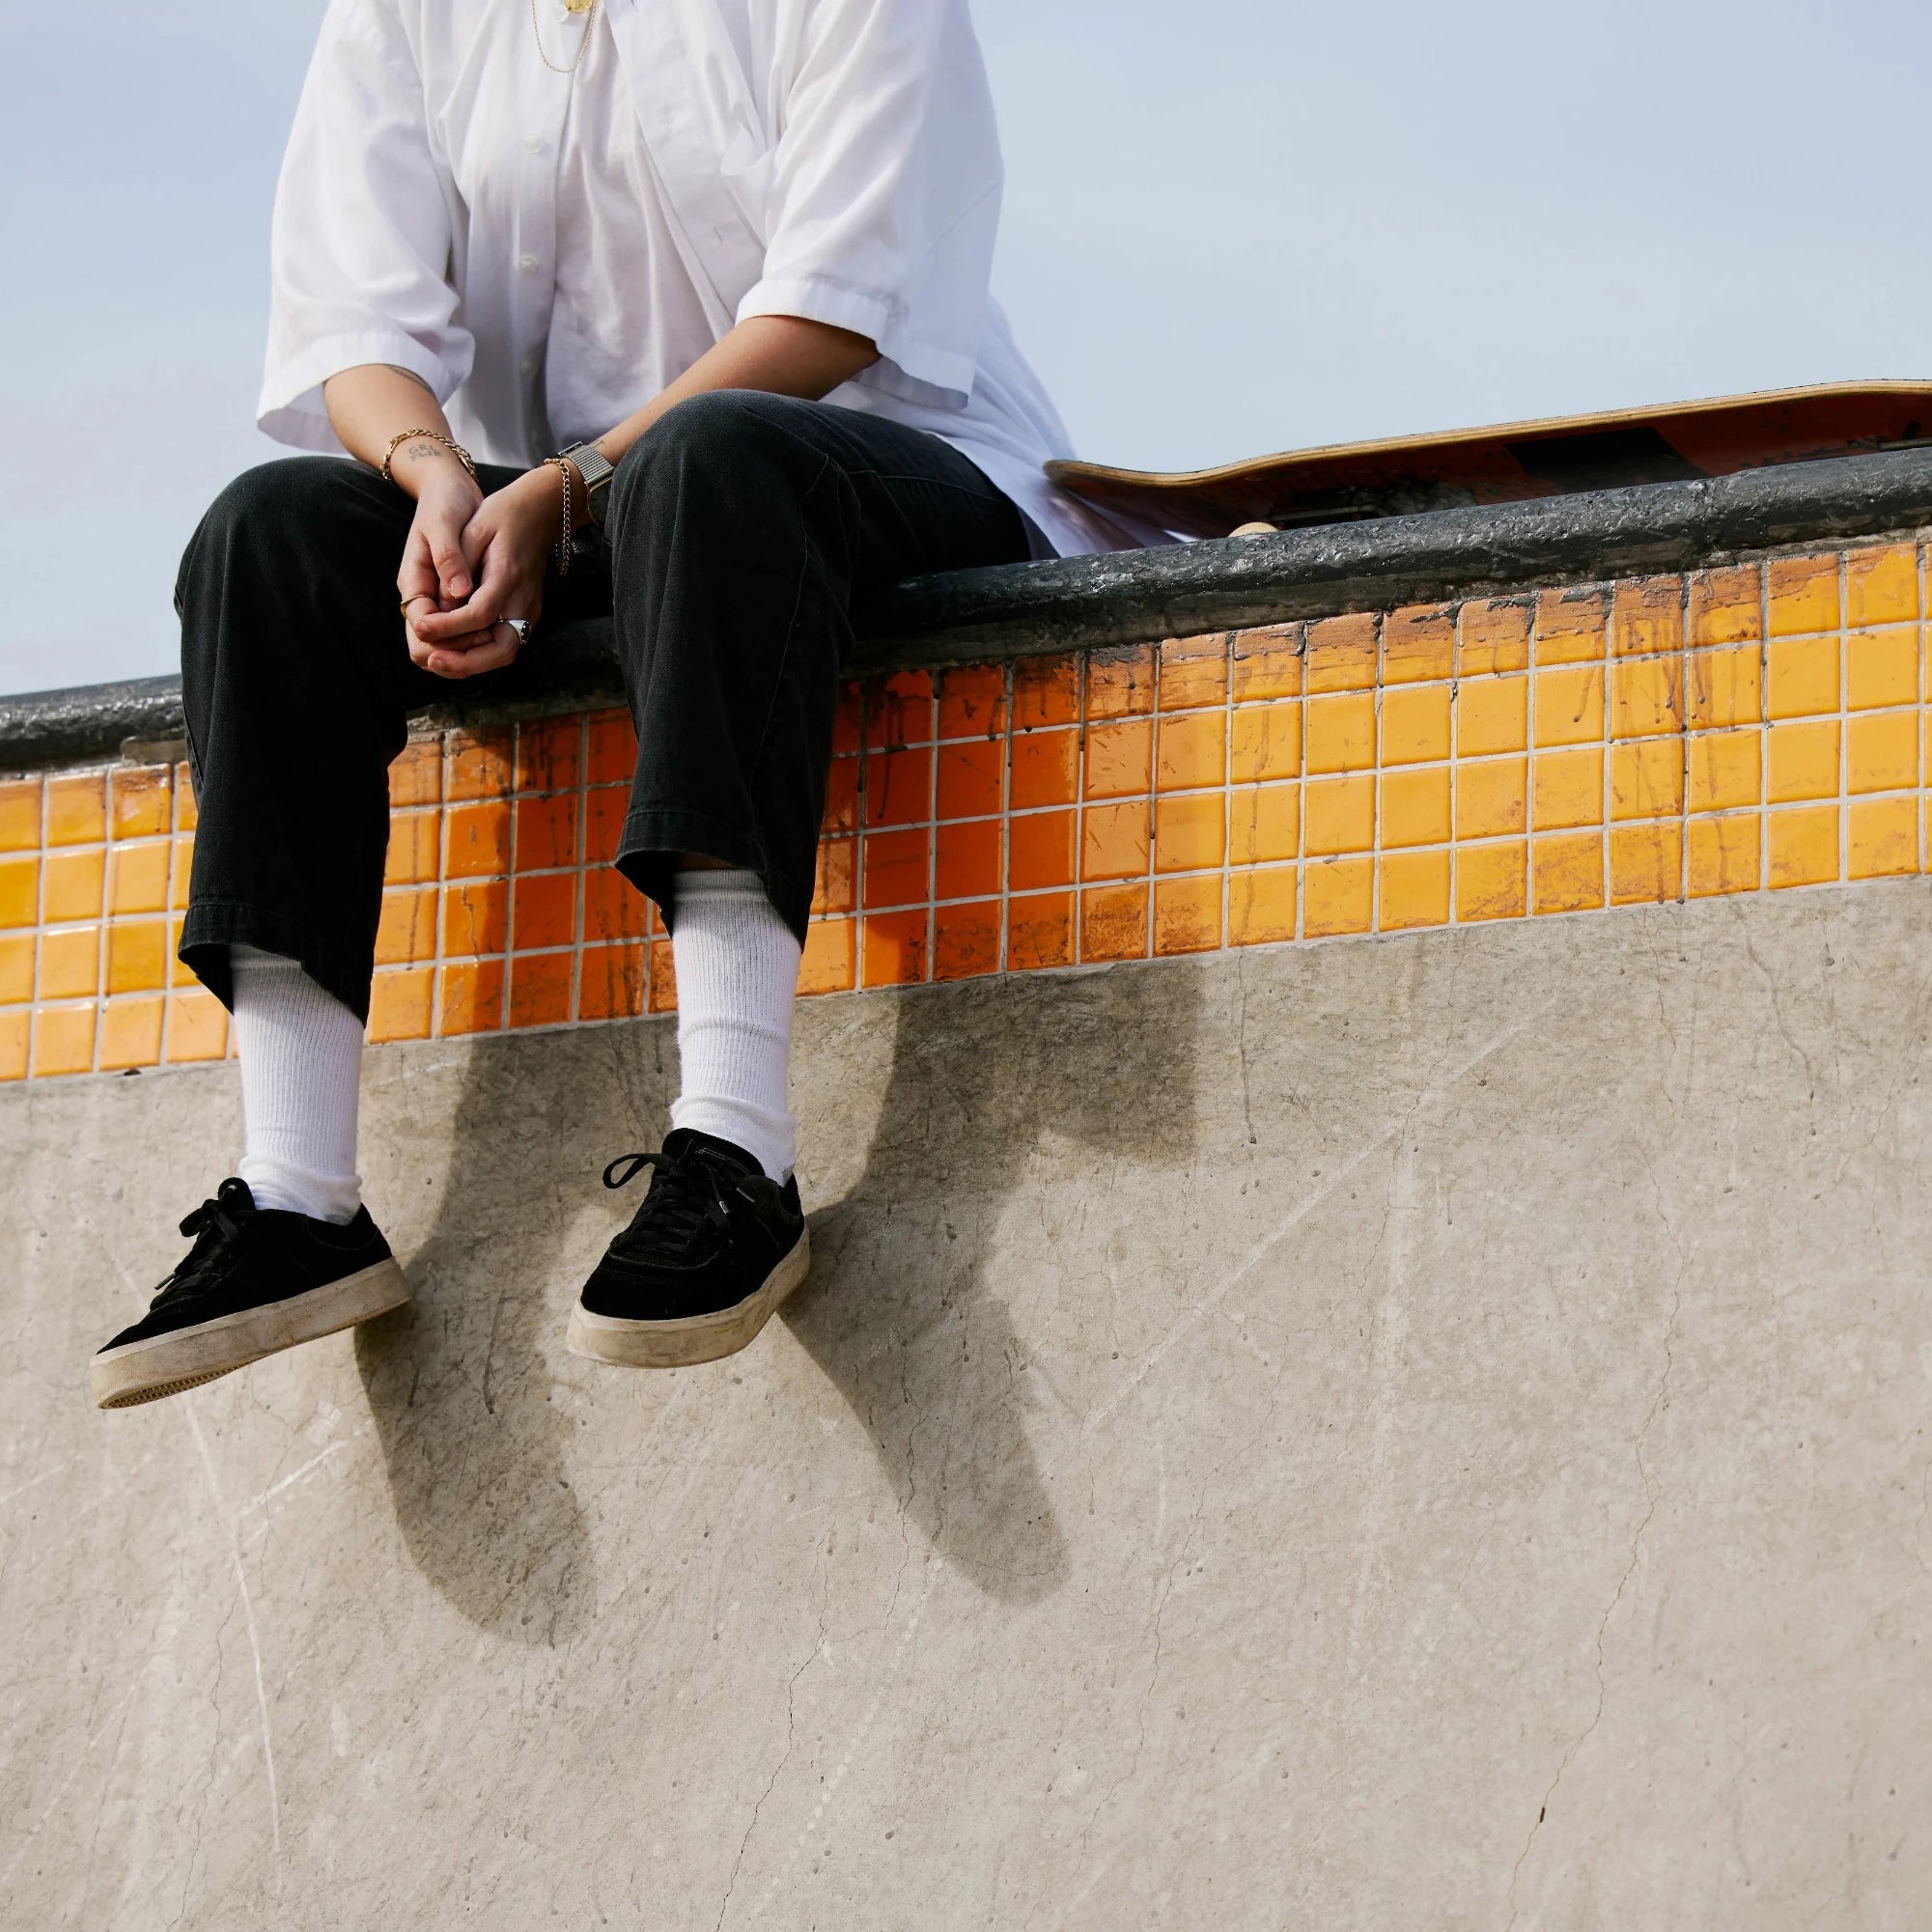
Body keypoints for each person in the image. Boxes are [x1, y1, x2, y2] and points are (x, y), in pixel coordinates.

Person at [90, 0, 1149, 1410]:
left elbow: (833, 308)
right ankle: (297, 1197)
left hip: (890, 475)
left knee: (707, 461)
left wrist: (567, 485)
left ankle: (735, 1148)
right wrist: (435, 479)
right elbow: (348, 325)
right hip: (575, 511)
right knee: (269, 529)